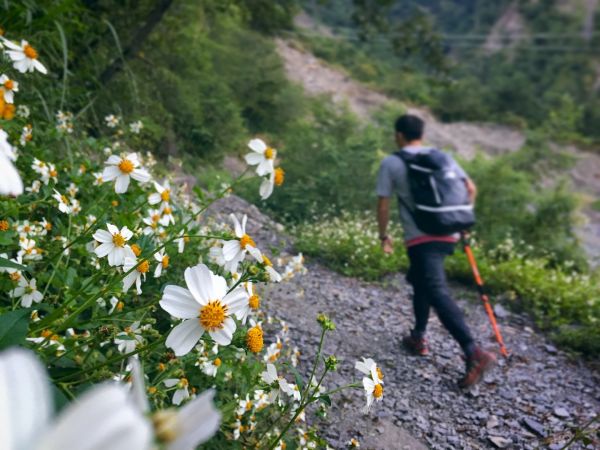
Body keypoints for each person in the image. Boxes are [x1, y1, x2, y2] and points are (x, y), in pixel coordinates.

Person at [375, 114, 496, 388]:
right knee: (421, 282)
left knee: (436, 289)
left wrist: (384, 235)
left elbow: (383, 204)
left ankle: (473, 352)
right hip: (449, 231)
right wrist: (460, 220)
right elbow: (470, 188)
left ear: (398, 135)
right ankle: (418, 337)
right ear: (422, 134)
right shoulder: (442, 156)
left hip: (421, 236)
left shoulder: (392, 162)